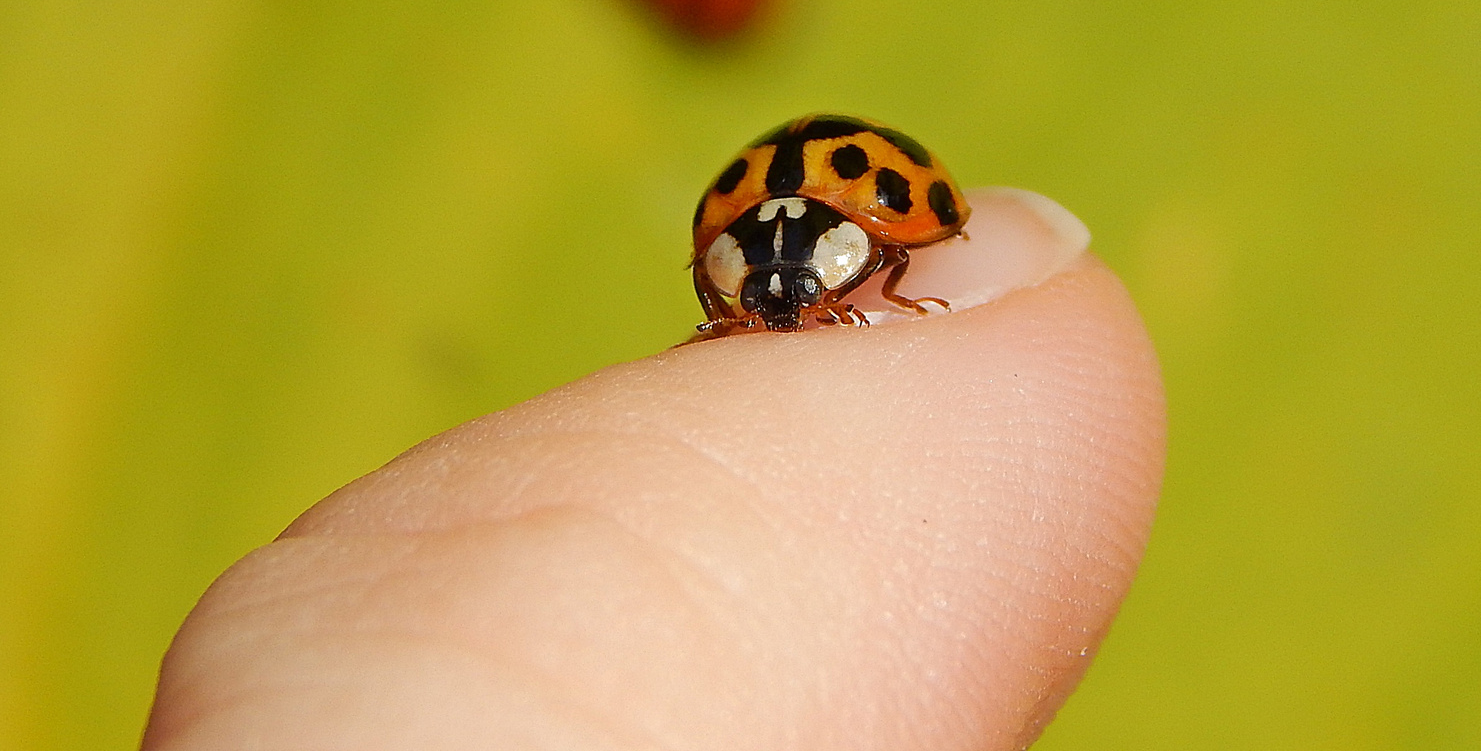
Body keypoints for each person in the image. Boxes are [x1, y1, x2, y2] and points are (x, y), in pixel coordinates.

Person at [140, 189, 1165, 750]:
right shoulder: (805, 246)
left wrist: (883, 298)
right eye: (751, 300)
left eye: (800, 296)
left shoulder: (859, 237)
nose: (777, 311)